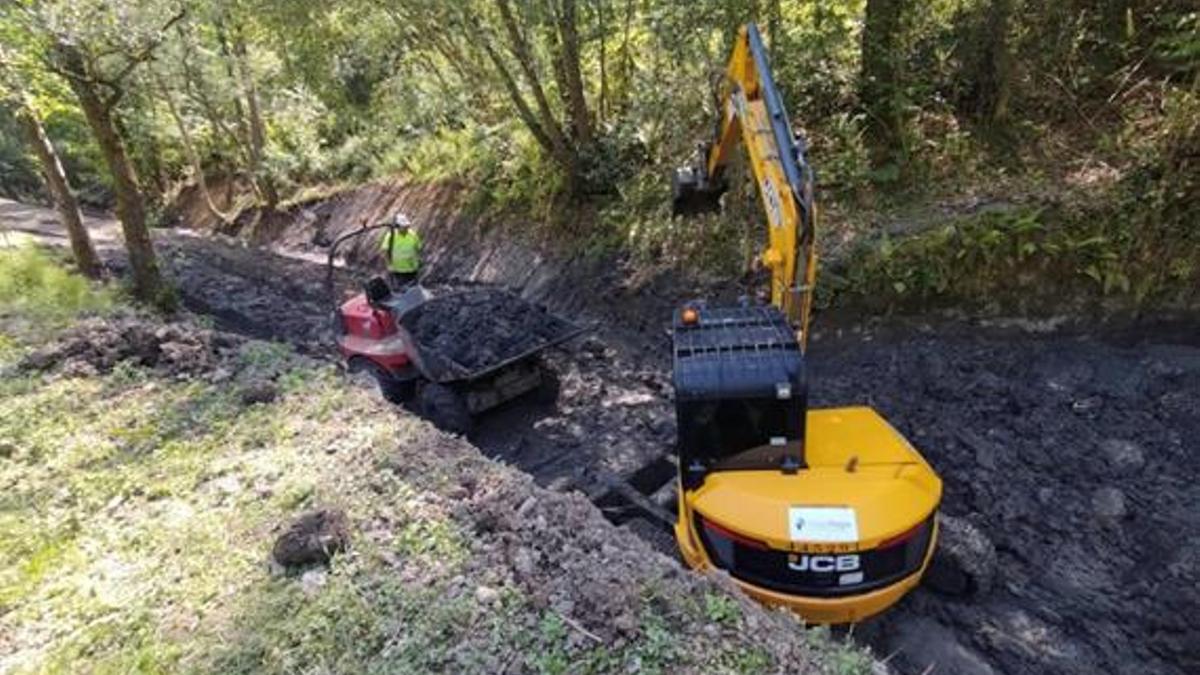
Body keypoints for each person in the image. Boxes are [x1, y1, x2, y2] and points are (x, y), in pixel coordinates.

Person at [380, 213, 422, 289]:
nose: (406, 228)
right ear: (397, 227)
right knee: (402, 291)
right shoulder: (390, 236)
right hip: (398, 270)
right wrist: (389, 265)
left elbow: (418, 248)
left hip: (412, 269)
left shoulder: (413, 235)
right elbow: (385, 251)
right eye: (403, 227)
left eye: (407, 226)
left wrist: (418, 261)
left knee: (414, 290)